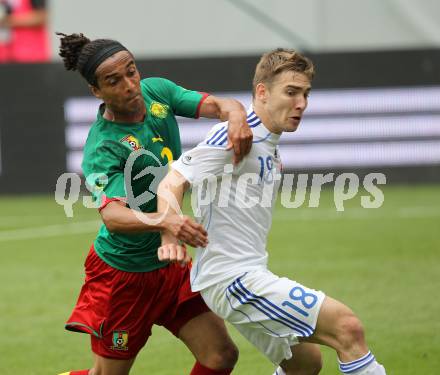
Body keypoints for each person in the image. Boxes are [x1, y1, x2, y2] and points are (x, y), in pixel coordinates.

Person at [157, 48, 387, 375]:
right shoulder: (236, 135)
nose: (301, 104)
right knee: (347, 328)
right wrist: (171, 229)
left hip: (243, 275)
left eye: (305, 94)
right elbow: (171, 182)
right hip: (233, 279)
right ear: (262, 92)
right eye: (291, 92)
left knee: (305, 363)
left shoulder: (270, 146)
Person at [56, 32, 253, 375]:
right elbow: (114, 218)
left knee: (221, 355)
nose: (130, 85)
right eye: (114, 81)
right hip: (124, 275)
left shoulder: (157, 91)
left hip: (170, 267)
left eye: (131, 71)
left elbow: (221, 105)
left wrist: (235, 115)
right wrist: (166, 222)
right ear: (97, 92)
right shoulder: (103, 146)